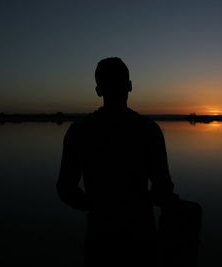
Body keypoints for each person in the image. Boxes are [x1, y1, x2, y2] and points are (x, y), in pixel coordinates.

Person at [57, 57, 175, 267]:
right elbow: (163, 189)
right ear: (129, 87)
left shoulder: (79, 131)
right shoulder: (148, 130)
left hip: (99, 238)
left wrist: (96, 206)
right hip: (142, 238)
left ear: (98, 90)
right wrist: (142, 202)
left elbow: (66, 190)